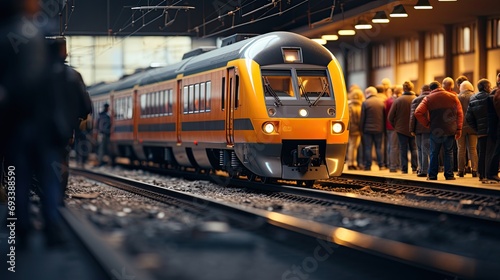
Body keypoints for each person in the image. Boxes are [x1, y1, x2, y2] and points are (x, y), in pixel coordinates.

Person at [1, 0, 67, 246]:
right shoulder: (40, 34)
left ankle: (21, 228)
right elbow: (46, 84)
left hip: (15, 124)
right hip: (41, 122)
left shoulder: (4, 35)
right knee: (48, 177)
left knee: (18, 176)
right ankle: (51, 227)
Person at [415, 78, 463, 180]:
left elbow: (418, 112)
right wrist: (458, 129)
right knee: (448, 152)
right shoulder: (453, 96)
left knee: (434, 153)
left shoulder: (428, 98)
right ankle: (449, 175)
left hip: (435, 130)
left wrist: (427, 124)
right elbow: (459, 113)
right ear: (440, 86)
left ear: (430, 89)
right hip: (450, 129)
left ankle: (432, 175)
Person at [388, 81, 417, 174]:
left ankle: (404, 169)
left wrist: (396, 126)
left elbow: (390, 117)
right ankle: (415, 168)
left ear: (404, 89)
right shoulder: (416, 99)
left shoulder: (398, 100)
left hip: (401, 129)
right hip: (414, 129)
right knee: (414, 148)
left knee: (402, 149)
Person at [466, 79, 492, 182]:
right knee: (490, 153)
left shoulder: (473, 99)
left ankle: (481, 175)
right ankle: (489, 174)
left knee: (482, 153)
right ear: (486, 87)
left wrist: (477, 128)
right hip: (491, 131)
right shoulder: (490, 97)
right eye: (490, 87)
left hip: (481, 132)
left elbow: (468, 117)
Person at [360, 86, 386, 171]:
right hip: (379, 129)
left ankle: (368, 166)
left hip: (367, 130)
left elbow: (362, 118)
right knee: (378, 147)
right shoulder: (381, 103)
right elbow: (384, 117)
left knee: (368, 147)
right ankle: (381, 165)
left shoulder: (365, 103)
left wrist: (361, 129)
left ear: (368, 93)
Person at [456, 81, 478, 177]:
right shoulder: (474, 96)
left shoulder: (457, 97)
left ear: (462, 88)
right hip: (472, 127)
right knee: (473, 149)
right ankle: (475, 170)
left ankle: (461, 170)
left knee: (461, 149)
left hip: (460, 127)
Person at [410, 84, 432, 177]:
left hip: (418, 129)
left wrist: (411, 129)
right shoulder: (432, 98)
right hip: (429, 127)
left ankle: (422, 169)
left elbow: (413, 116)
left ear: (421, 90)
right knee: (426, 149)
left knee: (419, 149)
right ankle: (426, 169)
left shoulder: (416, 99)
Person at [385, 86, 402, 172]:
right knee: (395, 147)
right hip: (395, 127)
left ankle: (392, 164)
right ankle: (394, 166)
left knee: (391, 146)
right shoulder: (397, 101)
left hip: (389, 126)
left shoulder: (388, 101)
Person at [346, 89, 363, 170]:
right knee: (354, 146)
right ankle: (353, 162)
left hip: (350, 129)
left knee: (351, 146)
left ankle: (350, 162)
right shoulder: (361, 106)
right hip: (358, 129)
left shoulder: (349, 106)